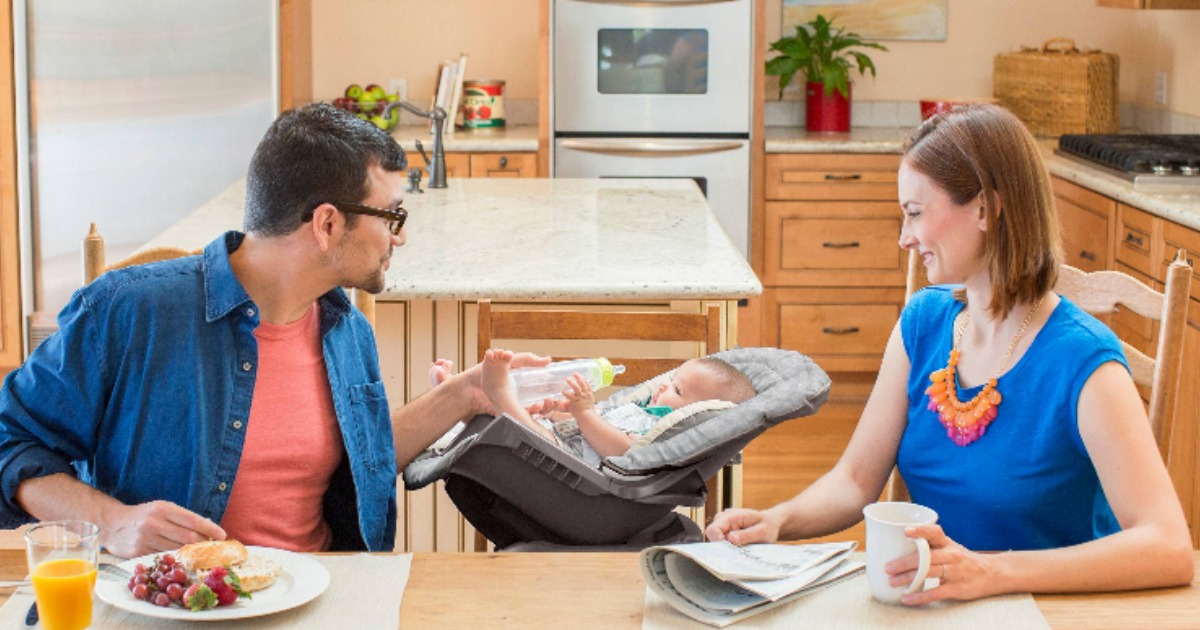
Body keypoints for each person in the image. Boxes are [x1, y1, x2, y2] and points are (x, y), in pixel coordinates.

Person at [0, 103, 547, 557]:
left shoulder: (345, 331)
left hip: (324, 598)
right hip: (171, 607)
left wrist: (468, 392)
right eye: (392, 217)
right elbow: (9, 443)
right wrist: (114, 522)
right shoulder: (129, 311)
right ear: (328, 224)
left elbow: (365, 456)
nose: (397, 239)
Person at [705, 104, 1194, 603]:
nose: (904, 238)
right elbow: (855, 480)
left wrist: (994, 573)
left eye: (915, 213)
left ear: (984, 208)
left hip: (1052, 614)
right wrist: (776, 520)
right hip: (939, 605)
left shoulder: (1085, 363)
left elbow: (1169, 546)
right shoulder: (924, 324)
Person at [470, 349, 755, 459]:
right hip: (567, 438)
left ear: (697, 412)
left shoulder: (660, 430)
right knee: (532, 415)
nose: (665, 386)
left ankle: (497, 392)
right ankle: (472, 399)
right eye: (673, 380)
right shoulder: (643, 410)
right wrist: (564, 411)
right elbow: (595, 421)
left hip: (570, 462)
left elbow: (622, 449)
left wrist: (584, 414)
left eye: (678, 390)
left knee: (527, 430)